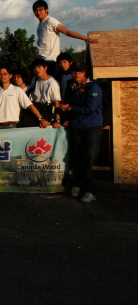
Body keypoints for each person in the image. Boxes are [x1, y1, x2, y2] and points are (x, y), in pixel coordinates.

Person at [58, 62, 103, 203]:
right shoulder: (70, 86)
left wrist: (70, 109)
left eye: (79, 71)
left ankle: (90, 190)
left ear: (85, 73)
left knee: (89, 157)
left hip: (92, 126)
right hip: (76, 126)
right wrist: (65, 117)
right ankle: (77, 184)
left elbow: (90, 109)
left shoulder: (93, 87)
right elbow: (65, 102)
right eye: (74, 72)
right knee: (76, 157)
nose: (76, 74)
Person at [33, 0, 98, 73]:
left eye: (41, 10)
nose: (38, 12)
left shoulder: (51, 21)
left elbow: (66, 32)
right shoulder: (41, 24)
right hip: (41, 59)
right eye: (36, 10)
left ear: (46, 10)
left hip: (50, 60)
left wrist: (85, 39)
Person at [0, 66, 50, 130]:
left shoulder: (17, 90)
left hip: (11, 126)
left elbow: (30, 106)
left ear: (10, 75)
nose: (3, 76)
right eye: (0, 74)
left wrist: (41, 119)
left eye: (5, 74)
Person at [28, 58, 62, 127]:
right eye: (35, 68)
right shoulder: (35, 79)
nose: (37, 70)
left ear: (45, 68)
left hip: (47, 112)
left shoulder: (52, 83)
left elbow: (56, 103)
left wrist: (57, 120)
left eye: (39, 67)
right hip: (35, 111)